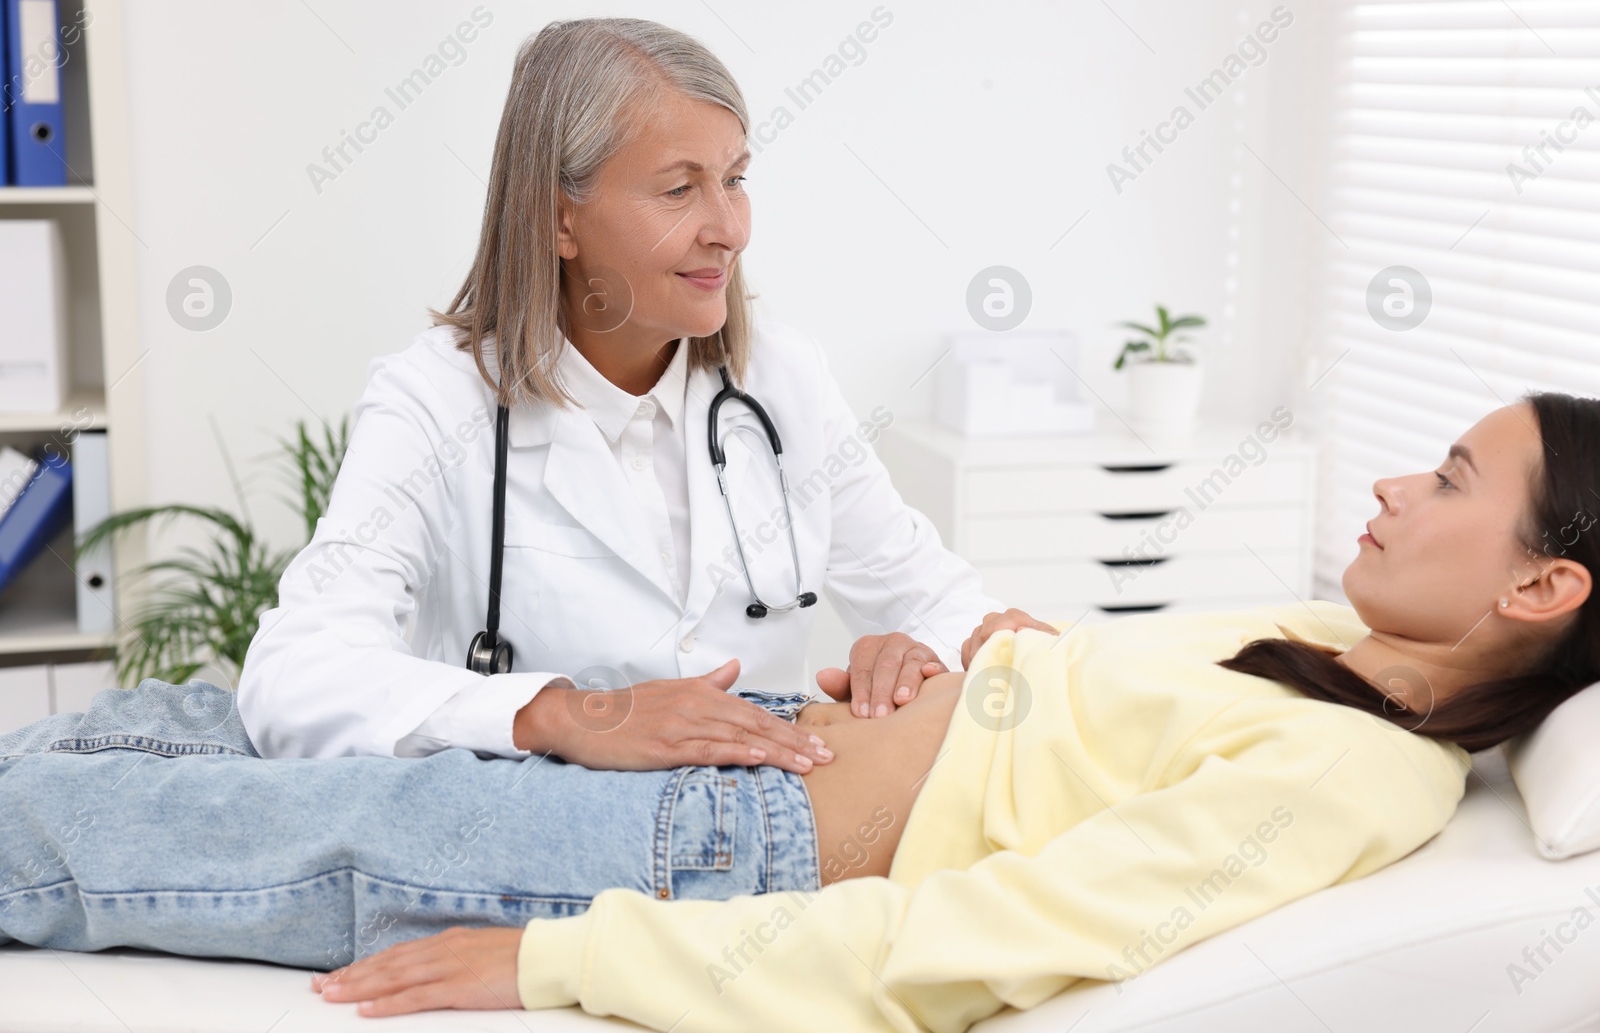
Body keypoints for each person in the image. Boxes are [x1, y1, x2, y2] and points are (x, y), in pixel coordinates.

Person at [4, 395, 1597, 1032]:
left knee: (111, 834)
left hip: (723, 839)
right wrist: (914, 666)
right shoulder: (1326, 638)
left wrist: (563, 952)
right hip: (756, 725)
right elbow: (1048, 700)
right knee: (192, 718)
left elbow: (972, 935)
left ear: (1541, 589)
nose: (1398, 479)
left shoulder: (1353, 774)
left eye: (1454, 478)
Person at [235, 16, 1003, 765]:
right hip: (540, 873)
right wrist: (568, 714)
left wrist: (918, 656)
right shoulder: (439, 399)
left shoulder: (783, 379)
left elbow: (951, 609)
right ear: (559, 218)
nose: (728, 228)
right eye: (679, 190)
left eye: (734, 181)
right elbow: (293, 675)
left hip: (763, 858)